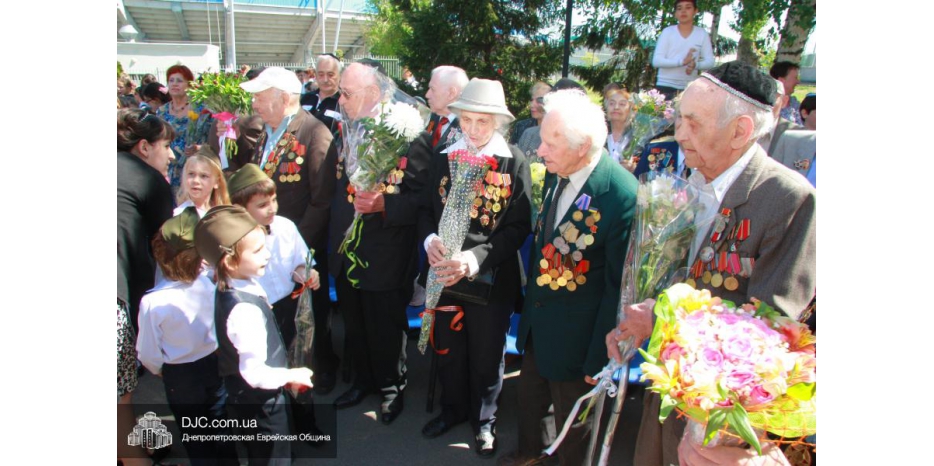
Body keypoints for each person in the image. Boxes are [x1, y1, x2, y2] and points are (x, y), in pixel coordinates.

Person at [609, 61, 816, 466]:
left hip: (719, 420)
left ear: (740, 131)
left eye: (692, 123)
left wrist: (664, 320)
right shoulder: (689, 179)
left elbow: (771, 330)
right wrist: (631, 322)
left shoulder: (787, 198)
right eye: (679, 120)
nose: (679, 133)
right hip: (669, 391)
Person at [500, 89, 639, 466]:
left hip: (579, 346)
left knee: (572, 433)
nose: (540, 152)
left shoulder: (621, 195)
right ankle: (529, 458)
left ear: (585, 146)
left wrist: (598, 358)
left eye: (550, 143)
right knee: (530, 411)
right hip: (537, 329)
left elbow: (617, 288)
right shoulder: (558, 172)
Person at [417, 78, 532, 457]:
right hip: (446, 275)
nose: (473, 129)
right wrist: (430, 239)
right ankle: (452, 410)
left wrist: (474, 258)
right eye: (467, 120)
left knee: (486, 355)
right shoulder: (443, 156)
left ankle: (484, 420)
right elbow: (424, 211)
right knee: (448, 349)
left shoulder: (514, 161)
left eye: (482, 121)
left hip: (491, 276)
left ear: (497, 121)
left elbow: (518, 227)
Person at [328, 62, 432, 424]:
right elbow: (334, 185)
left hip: (386, 250)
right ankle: (362, 381)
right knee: (354, 321)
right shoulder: (343, 127)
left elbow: (423, 198)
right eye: (341, 91)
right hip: (347, 248)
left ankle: (391, 387)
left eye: (347, 93)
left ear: (373, 94)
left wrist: (385, 203)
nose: (340, 99)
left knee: (385, 325)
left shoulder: (408, 134)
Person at [240, 66, 340, 394]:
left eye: (260, 97)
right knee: (281, 316)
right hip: (264, 246)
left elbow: (321, 200)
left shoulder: (314, 133)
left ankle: (321, 370)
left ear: (285, 99)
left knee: (312, 313)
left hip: (298, 245)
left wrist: (299, 247)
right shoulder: (264, 130)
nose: (254, 103)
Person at [194, 205, 315, 466]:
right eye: (258, 250)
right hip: (260, 402)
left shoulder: (234, 284)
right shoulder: (244, 309)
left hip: (249, 397)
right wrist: (291, 375)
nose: (267, 253)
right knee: (271, 456)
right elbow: (254, 372)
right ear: (229, 261)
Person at [137, 208, 239, 466]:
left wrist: (160, 369)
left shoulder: (152, 302)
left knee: (195, 436)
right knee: (220, 424)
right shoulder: (209, 285)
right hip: (212, 365)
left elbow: (148, 352)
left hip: (179, 375)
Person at [117, 107, 176, 466]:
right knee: (120, 396)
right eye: (166, 146)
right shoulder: (148, 180)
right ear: (144, 147)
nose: (171, 155)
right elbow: (170, 246)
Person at [227, 164, 320, 348]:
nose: (272, 209)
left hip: (287, 308)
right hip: (252, 311)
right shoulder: (233, 240)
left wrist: (306, 273)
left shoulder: (286, 227)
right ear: (240, 208)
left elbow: (297, 265)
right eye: (262, 205)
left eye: (274, 200)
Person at [157, 64, 213, 195]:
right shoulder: (161, 111)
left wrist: (199, 148)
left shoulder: (202, 110)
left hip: (194, 169)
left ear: (189, 85)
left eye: (179, 81)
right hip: (168, 169)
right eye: (171, 80)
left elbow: (213, 140)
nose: (174, 84)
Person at [651, 0, 715, 101]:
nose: (683, 11)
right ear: (675, 13)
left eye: (688, 7)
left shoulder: (702, 34)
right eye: (679, 8)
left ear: (695, 11)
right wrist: (682, 62)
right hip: (665, 86)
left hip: (689, 87)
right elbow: (657, 61)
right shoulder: (667, 32)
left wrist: (696, 65)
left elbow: (710, 62)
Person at [516, 79, 580, 165]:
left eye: (540, 100)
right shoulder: (528, 134)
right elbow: (514, 168)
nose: (541, 152)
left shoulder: (580, 140)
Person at [425, 65, 470, 150]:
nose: (427, 95)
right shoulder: (431, 117)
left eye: (433, 89)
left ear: (451, 93)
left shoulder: (467, 131)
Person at [174, 152, 230, 217]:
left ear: (217, 182)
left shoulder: (223, 214)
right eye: (191, 174)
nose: (195, 181)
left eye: (203, 176)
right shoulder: (179, 215)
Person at [301, 53, 343, 135]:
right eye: (321, 74)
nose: (325, 79)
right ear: (315, 75)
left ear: (339, 76)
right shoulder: (306, 99)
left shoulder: (343, 103)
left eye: (330, 75)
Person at [514, 81, 554, 161]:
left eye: (540, 100)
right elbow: (512, 160)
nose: (532, 105)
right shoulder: (521, 127)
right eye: (532, 100)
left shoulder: (558, 131)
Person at [604, 88, 634, 167]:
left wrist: (634, 168)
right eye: (612, 103)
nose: (616, 107)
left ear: (629, 110)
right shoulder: (598, 131)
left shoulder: (636, 136)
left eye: (622, 104)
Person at [769, 61, 803, 125]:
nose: (798, 82)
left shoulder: (794, 102)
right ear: (781, 81)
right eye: (795, 78)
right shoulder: (768, 105)